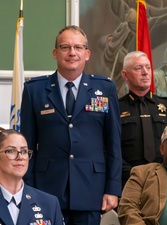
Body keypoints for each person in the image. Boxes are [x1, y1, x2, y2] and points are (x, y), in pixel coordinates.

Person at [21, 25, 122, 224]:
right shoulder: (35, 90)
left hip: (91, 189)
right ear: (55, 53)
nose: (72, 52)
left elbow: (114, 144)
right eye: (65, 47)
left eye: (78, 47)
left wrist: (112, 188)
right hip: (46, 189)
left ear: (87, 54)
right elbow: (27, 147)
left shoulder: (105, 88)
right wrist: (28, 188)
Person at [119, 51, 167, 186]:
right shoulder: (116, 107)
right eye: (138, 68)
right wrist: (133, 173)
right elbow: (109, 148)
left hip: (166, 180)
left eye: (148, 67)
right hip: (129, 182)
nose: (145, 72)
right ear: (125, 75)